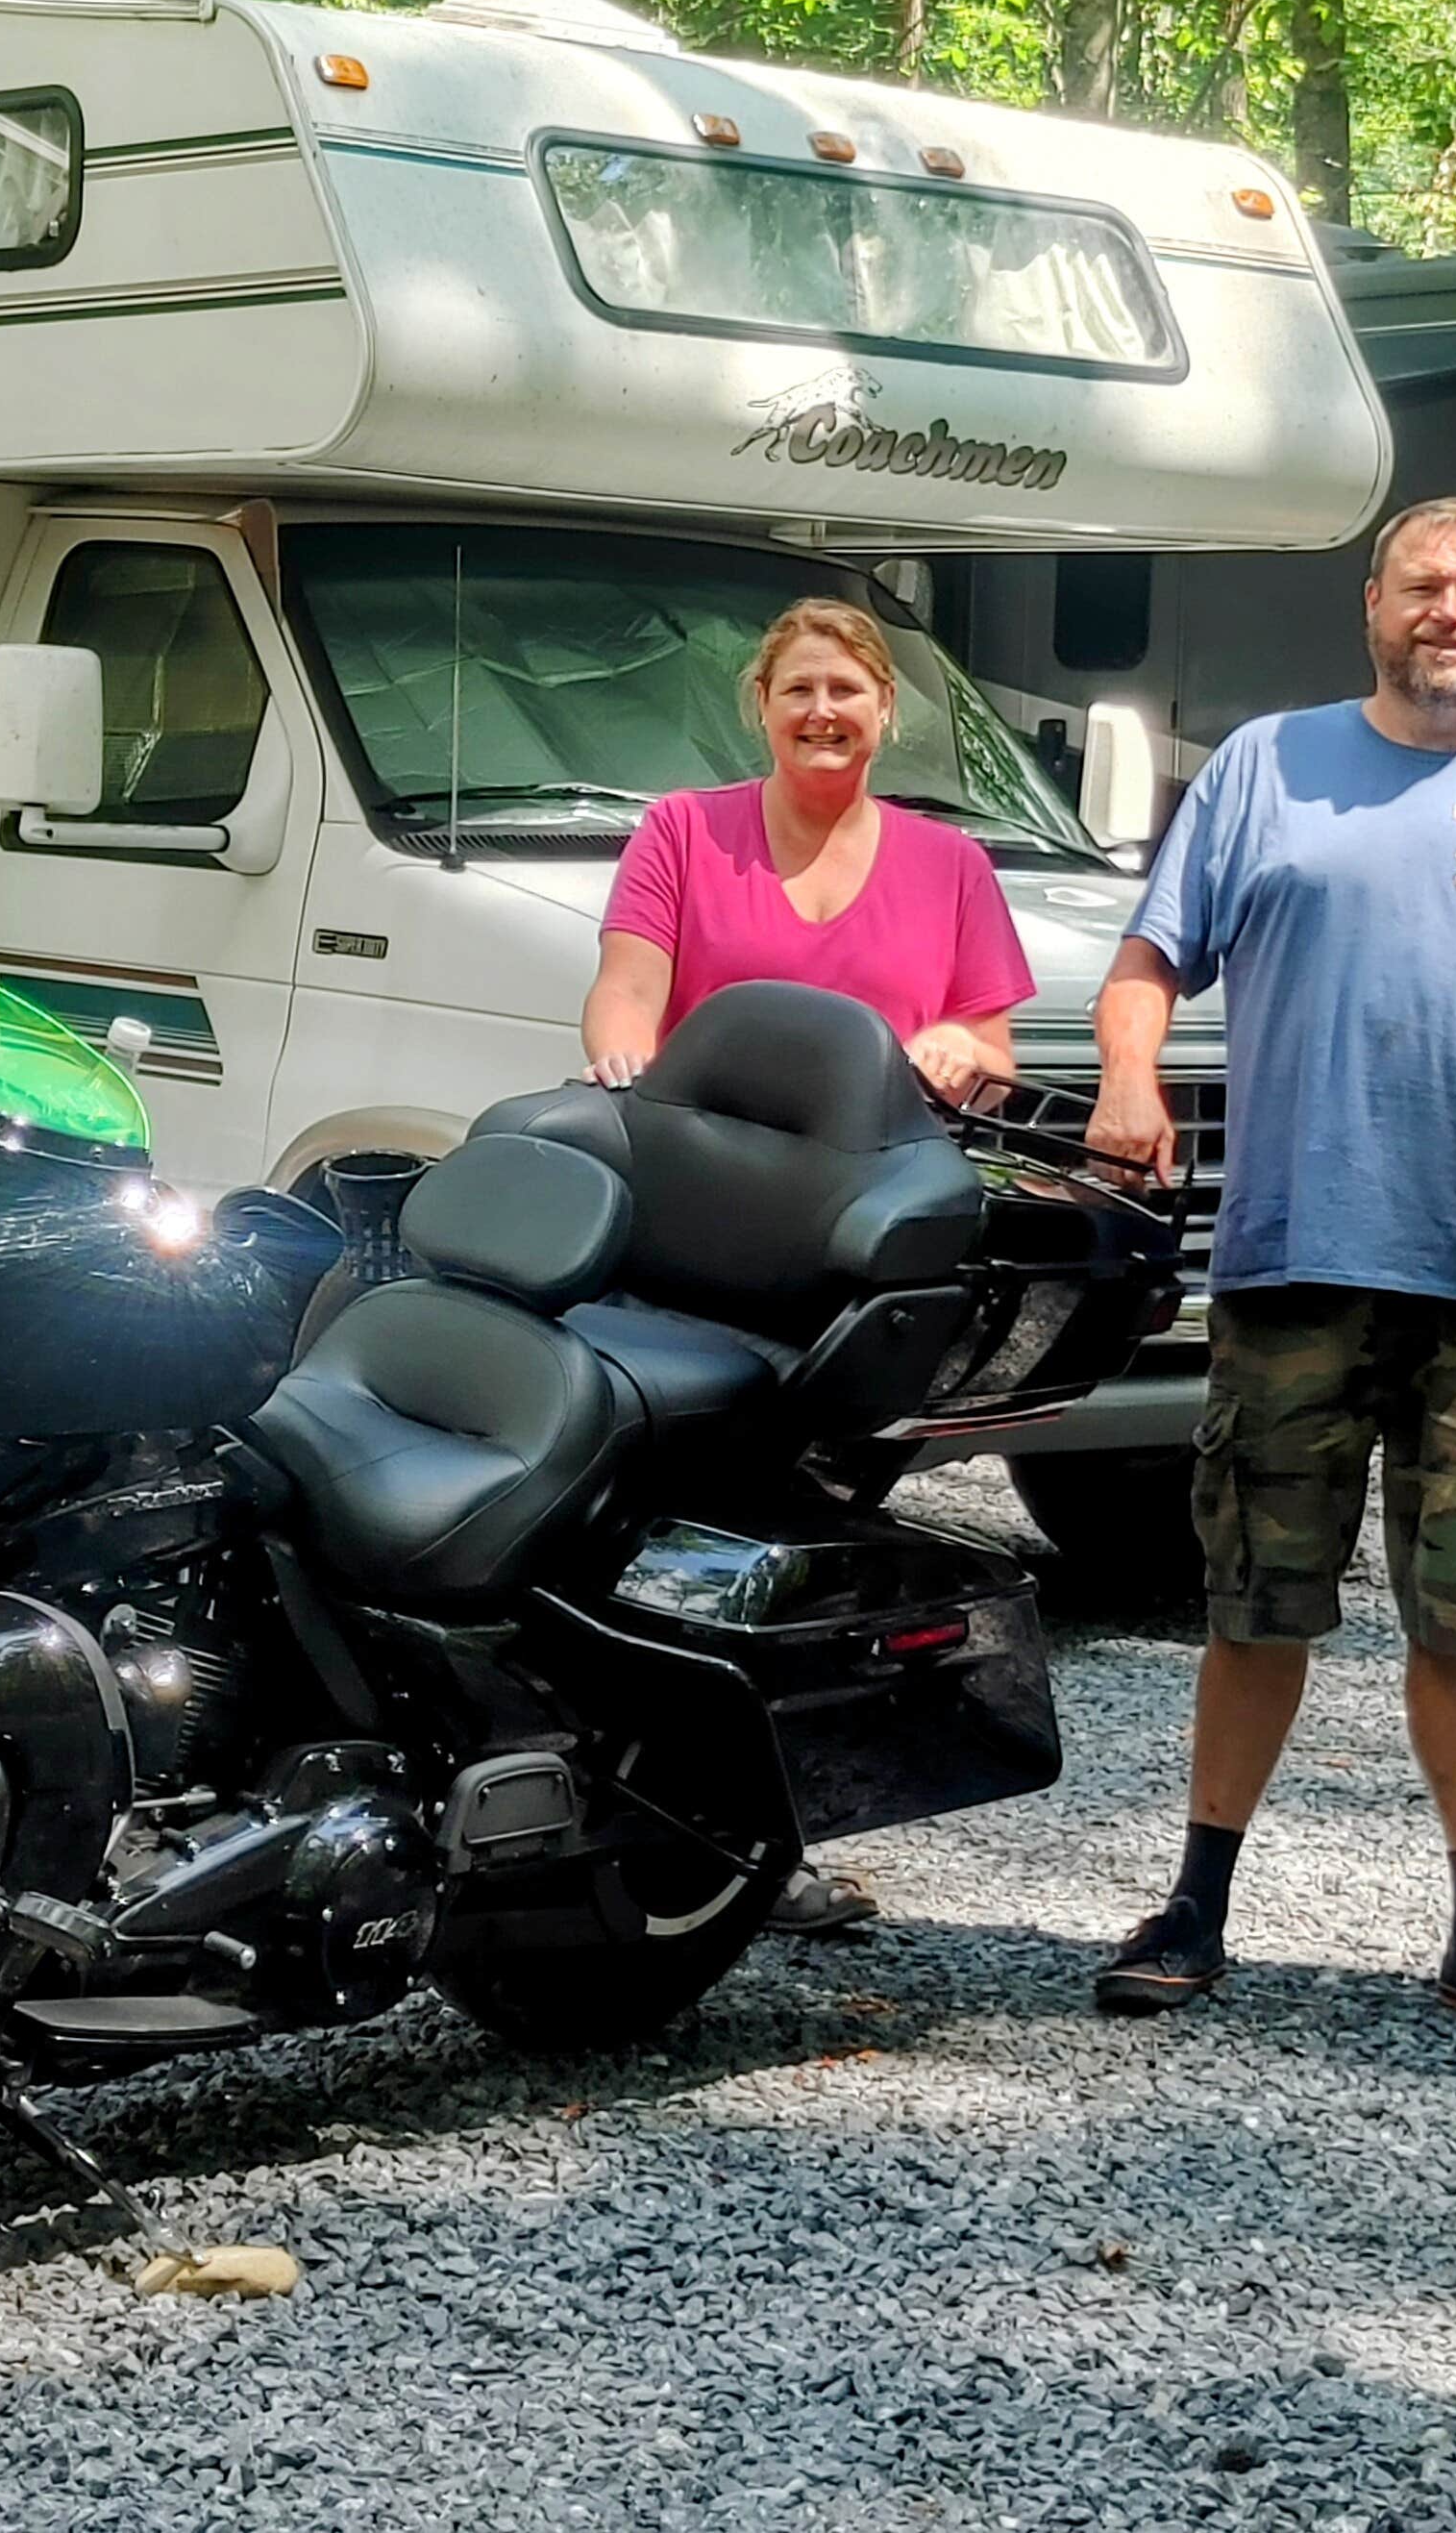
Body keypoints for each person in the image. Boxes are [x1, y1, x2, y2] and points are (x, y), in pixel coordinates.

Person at [1080, 498, 1456, 2043]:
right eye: (1425, 585)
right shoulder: (1264, 766)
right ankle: (1197, 1904)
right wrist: (1130, 1081)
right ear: (1372, 605)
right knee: (1253, 1599)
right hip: (1294, 1257)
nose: (1450, 612)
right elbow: (1149, 961)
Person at [582, 593, 1035, 1936]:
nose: (825, 713)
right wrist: (624, 1057)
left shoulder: (950, 867)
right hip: (702, 1230)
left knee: (796, 1532)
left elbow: (994, 1051)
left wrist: (962, 1048)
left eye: (848, 691)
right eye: (800, 693)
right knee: (661, 1511)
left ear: (887, 709)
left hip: (859, 1249)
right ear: (763, 710)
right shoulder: (681, 831)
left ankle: (761, 1837)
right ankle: (683, 1824)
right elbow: (625, 984)